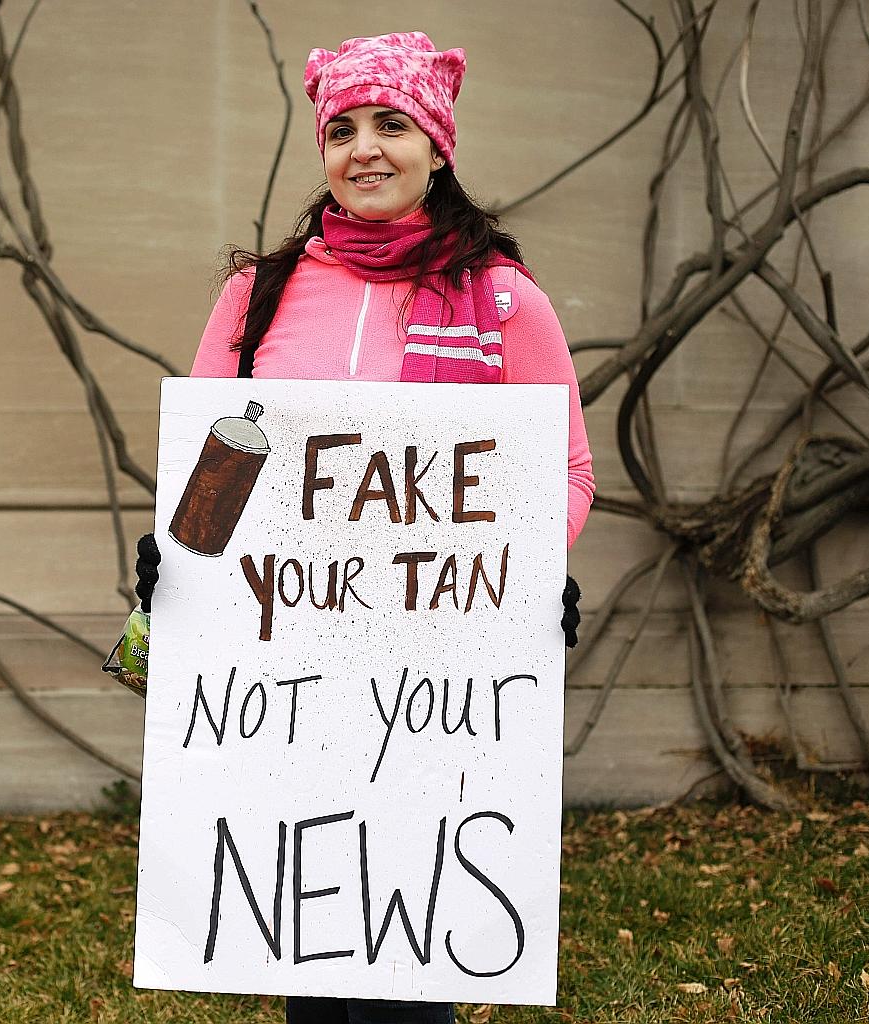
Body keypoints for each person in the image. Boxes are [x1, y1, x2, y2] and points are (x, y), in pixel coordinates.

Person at [136, 31, 594, 1024]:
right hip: (285, 661)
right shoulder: (256, 295)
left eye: (392, 123)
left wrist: (521, 568)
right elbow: (219, 464)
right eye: (341, 128)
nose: (365, 148)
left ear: (438, 144)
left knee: (403, 956)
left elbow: (560, 468)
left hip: (429, 670)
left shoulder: (505, 300)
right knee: (310, 936)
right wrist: (181, 554)